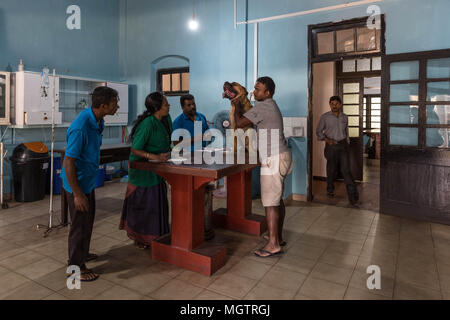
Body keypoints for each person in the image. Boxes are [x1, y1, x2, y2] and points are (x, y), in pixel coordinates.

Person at [61, 86, 119, 281]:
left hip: (87, 182)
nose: (117, 106)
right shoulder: (81, 126)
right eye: (114, 103)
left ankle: (83, 253)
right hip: (76, 184)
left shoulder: (97, 120)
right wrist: (77, 194)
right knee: (79, 225)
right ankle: (75, 267)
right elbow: (68, 162)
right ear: (103, 105)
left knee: (87, 221)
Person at [232, 76, 293, 257]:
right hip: (281, 156)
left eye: (258, 89)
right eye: (254, 88)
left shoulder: (264, 106)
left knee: (270, 203)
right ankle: (277, 237)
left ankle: (273, 244)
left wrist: (235, 103)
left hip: (273, 159)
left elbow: (240, 123)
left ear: (267, 93)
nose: (254, 92)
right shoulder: (270, 105)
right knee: (277, 199)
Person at [119, 92, 172, 249]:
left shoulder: (165, 119)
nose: (169, 106)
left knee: (158, 204)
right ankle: (141, 238)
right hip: (143, 170)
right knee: (145, 206)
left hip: (157, 169)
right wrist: (154, 156)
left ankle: (158, 236)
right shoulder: (148, 123)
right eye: (165, 104)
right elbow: (135, 149)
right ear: (157, 108)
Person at [316, 96, 359, 205]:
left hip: (343, 145)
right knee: (331, 170)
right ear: (330, 105)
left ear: (340, 104)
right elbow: (318, 132)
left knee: (346, 170)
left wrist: (347, 142)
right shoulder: (325, 117)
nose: (334, 106)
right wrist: (327, 140)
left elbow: (346, 131)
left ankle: (353, 197)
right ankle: (330, 189)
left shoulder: (345, 117)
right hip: (331, 146)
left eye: (336, 104)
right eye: (332, 104)